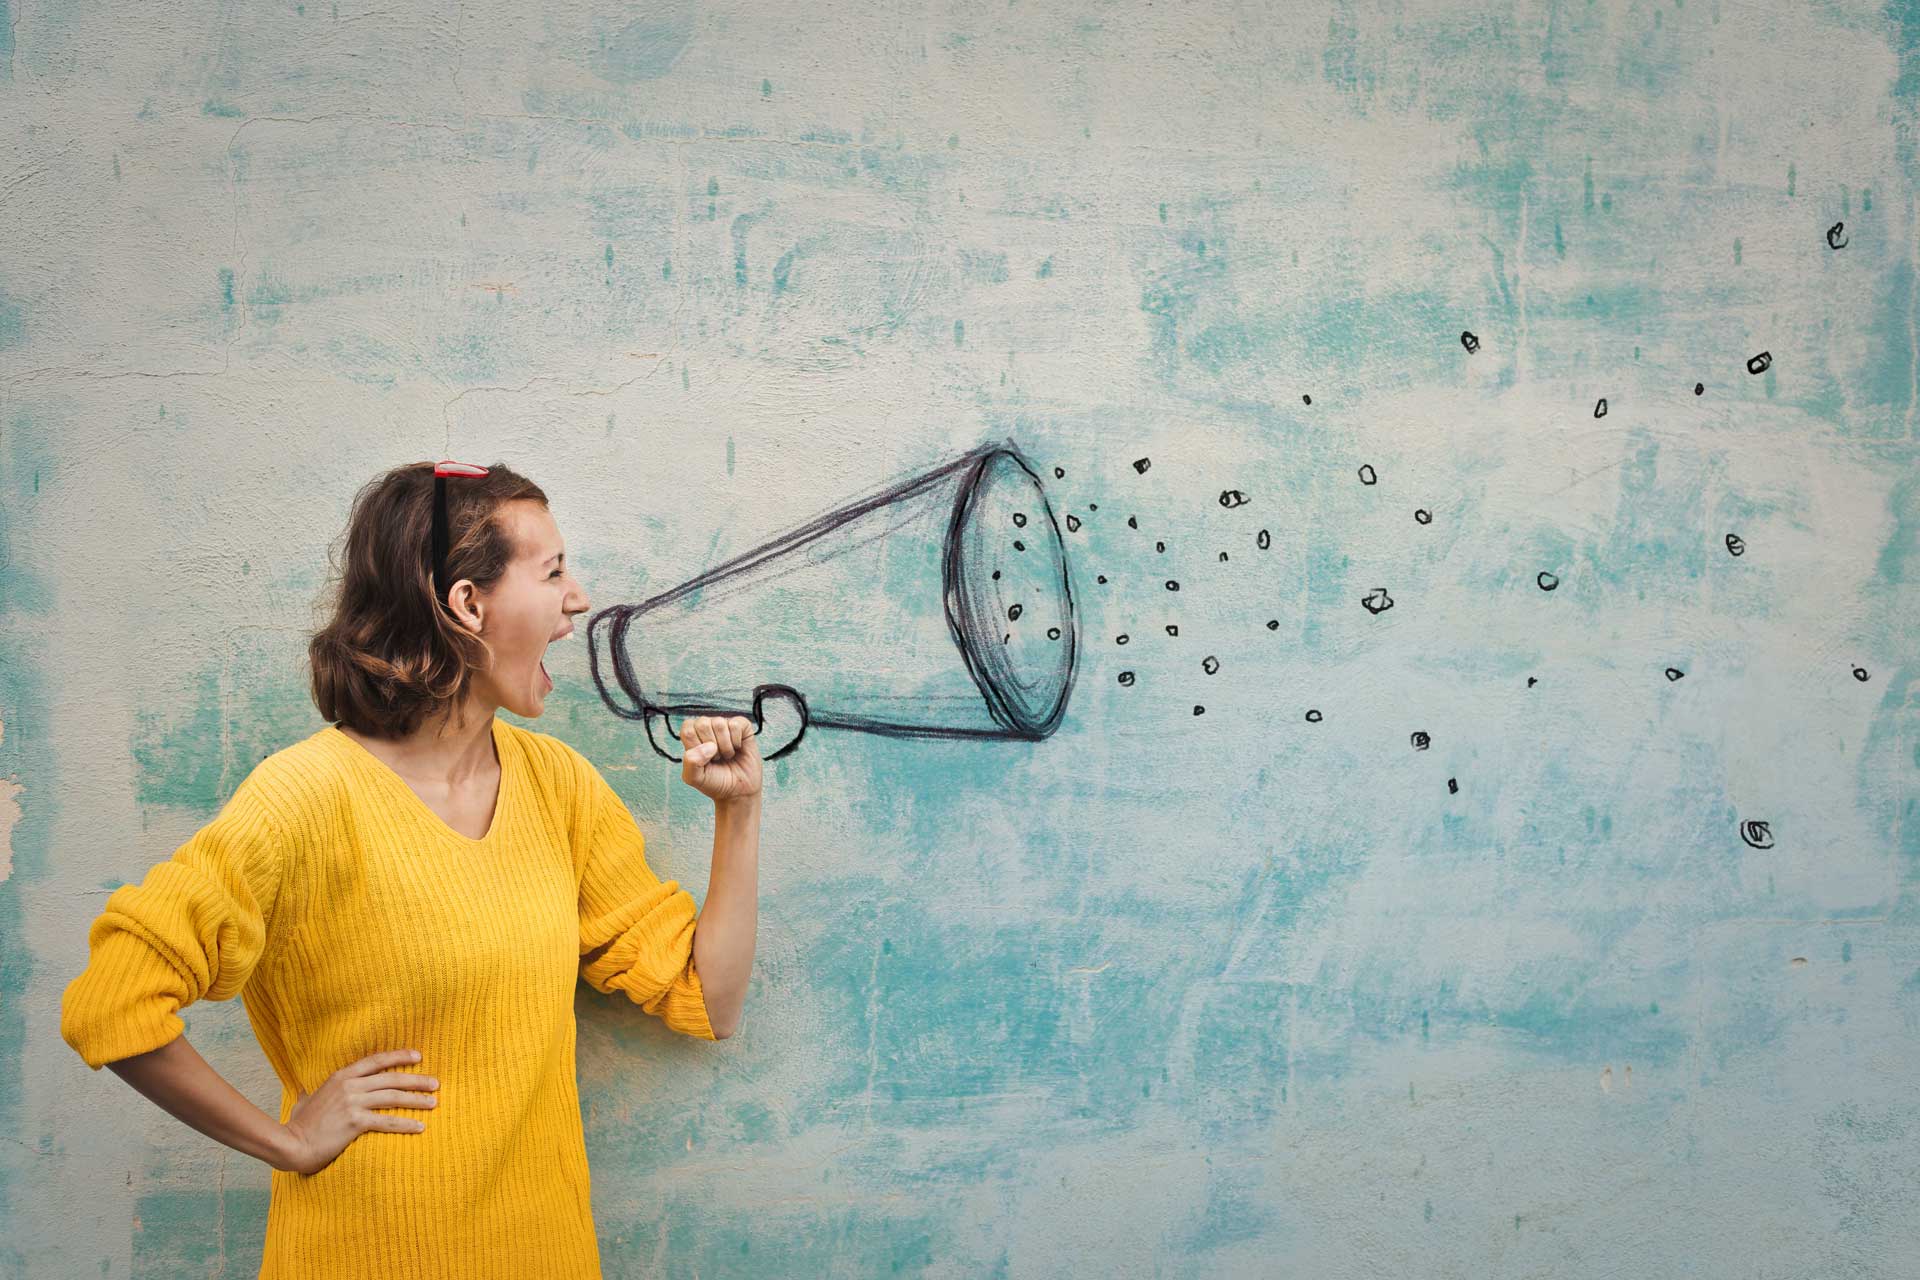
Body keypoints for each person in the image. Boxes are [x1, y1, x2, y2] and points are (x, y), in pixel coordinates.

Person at [58, 460, 763, 1278]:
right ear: (468, 604)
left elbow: (709, 998)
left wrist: (737, 811)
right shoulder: (305, 797)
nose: (578, 601)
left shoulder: (559, 785)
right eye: (554, 572)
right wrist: (286, 1142)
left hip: (543, 1254)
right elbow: (112, 1003)